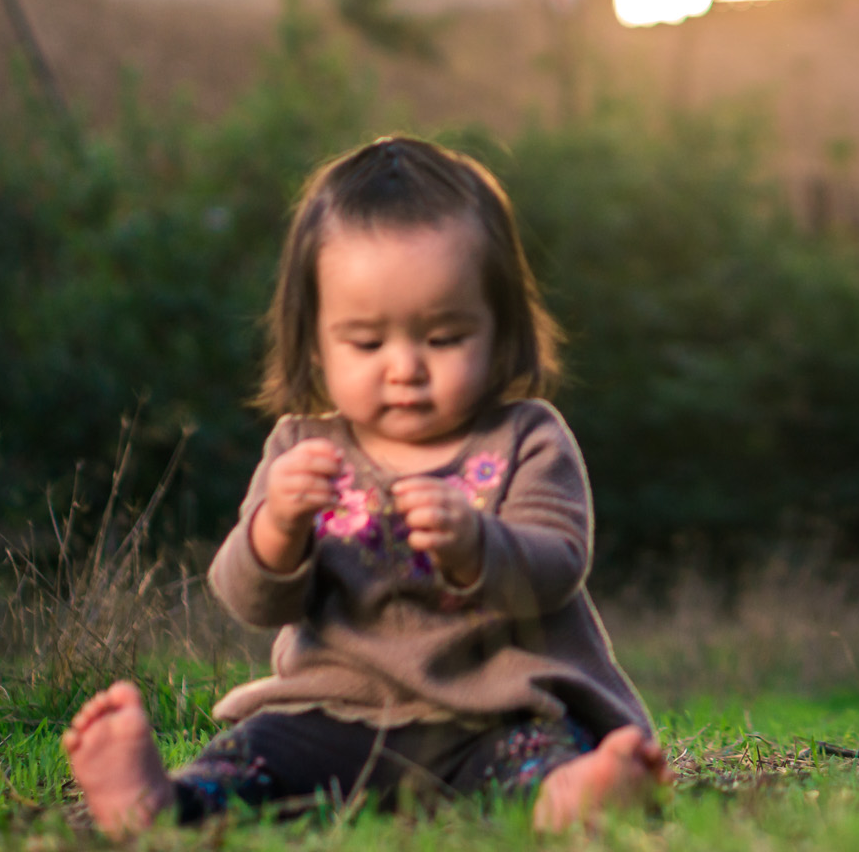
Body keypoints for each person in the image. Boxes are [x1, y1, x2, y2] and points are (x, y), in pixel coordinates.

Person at [61, 136, 670, 831]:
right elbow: (248, 596)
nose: (404, 367)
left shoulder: (527, 436)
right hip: (331, 715)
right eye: (366, 341)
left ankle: (571, 796)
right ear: (315, 342)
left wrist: (478, 543)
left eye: (442, 338)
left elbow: (558, 565)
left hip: (491, 714)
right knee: (252, 755)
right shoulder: (303, 449)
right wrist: (278, 528)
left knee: (536, 757)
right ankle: (162, 802)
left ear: (500, 332)